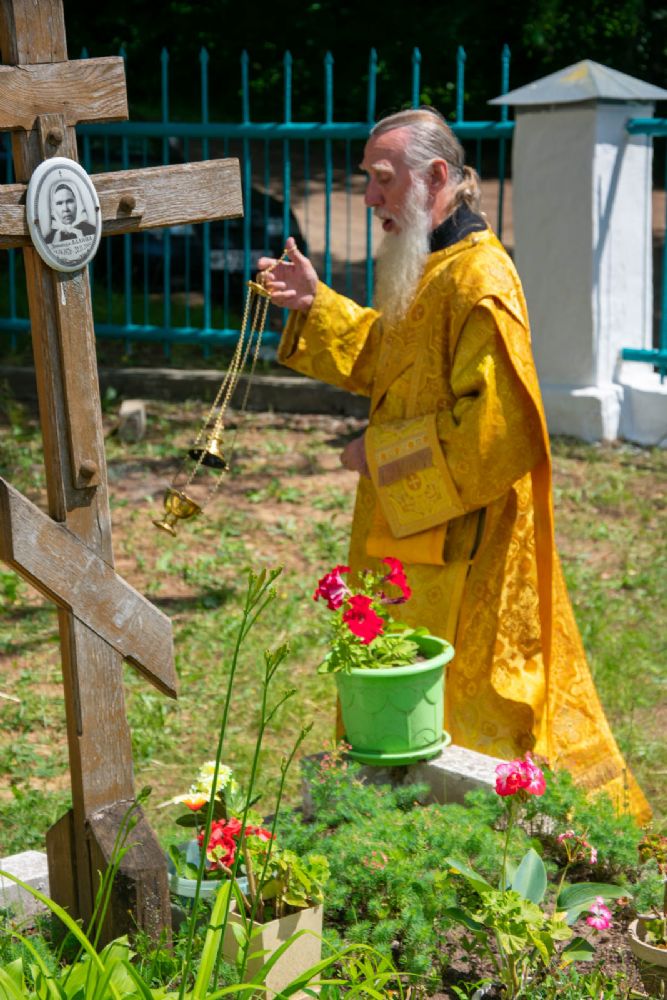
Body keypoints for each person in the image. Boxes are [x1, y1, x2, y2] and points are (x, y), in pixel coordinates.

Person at [258, 107, 650, 822]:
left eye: (382, 179)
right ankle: (402, 828)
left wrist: (378, 455)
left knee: (473, 710)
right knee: (403, 699)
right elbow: (396, 359)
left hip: (470, 547)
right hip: (417, 535)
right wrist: (317, 305)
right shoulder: (431, 263)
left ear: (435, 176)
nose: (369, 197)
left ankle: (499, 838)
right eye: (367, 180)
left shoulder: (480, 281)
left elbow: (496, 437)